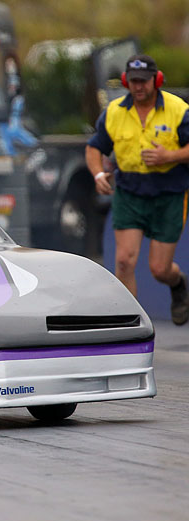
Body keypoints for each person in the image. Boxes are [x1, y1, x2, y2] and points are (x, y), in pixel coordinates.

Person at [86, 54, 189, 325]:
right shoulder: (115, 111)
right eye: (133, 81)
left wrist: (169, 156)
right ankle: (132, 323)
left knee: (159, 269)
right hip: (130, 192)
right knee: (124, 261)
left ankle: (178, 284)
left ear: (156, 80)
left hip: (168, 193)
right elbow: (94, 147)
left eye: (144, 81)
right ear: (125, 82)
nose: (139, 86)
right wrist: (98, 173)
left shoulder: (177, 109)